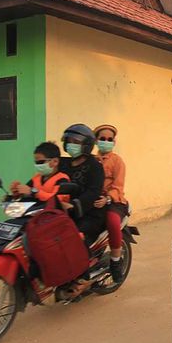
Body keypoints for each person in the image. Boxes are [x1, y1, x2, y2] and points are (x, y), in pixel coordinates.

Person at [59, 124, 106, 295]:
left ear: (86, 145)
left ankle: (83, 278)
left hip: (89, 214)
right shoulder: (62, 163)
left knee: (76, 238)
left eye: (76, 142)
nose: (71, 144)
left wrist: (75, 205)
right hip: (62, 212)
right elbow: (45, 179)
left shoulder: (95, 166)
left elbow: (94, 192)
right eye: (69, 141)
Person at [93, 124, 128, 283]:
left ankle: (115, 260)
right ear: (96, 141)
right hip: (93, 201)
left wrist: (107, 198)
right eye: (102, 139)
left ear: (113, 142)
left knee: (112, 222)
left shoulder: (117, 161)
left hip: (114, 201)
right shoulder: (91, 160)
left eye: (109, 139)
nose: (106, 141)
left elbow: (118, 186)